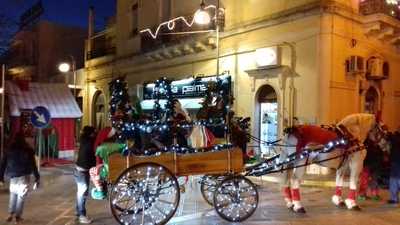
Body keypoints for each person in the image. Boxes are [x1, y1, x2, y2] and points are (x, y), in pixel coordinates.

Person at [0, 132, 40, 224]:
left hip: (13, 176)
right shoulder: (28, 150)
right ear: (23, 139)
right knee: (21, 197)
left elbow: (3, 164)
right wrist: (37, 177)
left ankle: (10, 214)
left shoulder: (9, 149)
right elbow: (33, 165)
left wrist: (1, 177)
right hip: (24, 176)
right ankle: (18, 217)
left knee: (13, 194)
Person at [74, 126, 96, 224]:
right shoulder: (90, 143)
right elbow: (91, 159)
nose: (94, 134)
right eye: (93, 133)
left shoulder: (84, 140)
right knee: (82, 194)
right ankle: (82, 215)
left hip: (79, 170)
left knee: (80, 193)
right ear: (90, 134)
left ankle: (78, 212)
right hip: (82, 172)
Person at [388, 128, 400, 204]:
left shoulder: (395, 137)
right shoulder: (395, 136)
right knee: (394, 179)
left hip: (396, 160)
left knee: (395, 179)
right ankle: (393, 198)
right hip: (395, 160)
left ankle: (394, 198)